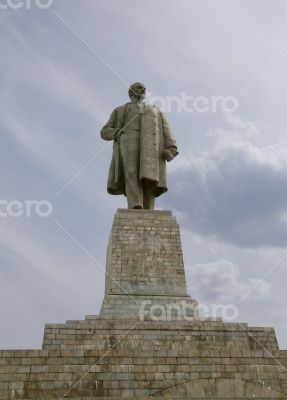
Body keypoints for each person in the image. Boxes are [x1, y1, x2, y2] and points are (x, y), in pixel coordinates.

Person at [100, 82, 178, 209]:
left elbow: (166, 129)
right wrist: (118, 132)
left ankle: (148, 206)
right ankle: (135, 204)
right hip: (128, 140)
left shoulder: (155, 110)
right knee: (131, 172)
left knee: (149, 176)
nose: (143, 89)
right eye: (139, 87)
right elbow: (105, 131)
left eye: (144, 88)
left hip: (151, 144)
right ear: (131, 92)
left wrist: (171, 147)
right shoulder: (120, 110)